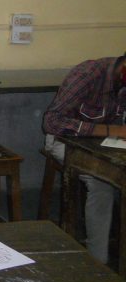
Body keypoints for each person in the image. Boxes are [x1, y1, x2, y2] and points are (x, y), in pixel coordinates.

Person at [42, 54, 126, 264]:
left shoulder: (121, 83)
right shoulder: (88, 74)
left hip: (104, 144)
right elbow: (52, 122)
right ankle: (97, 262)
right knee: (102, 182)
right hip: (65, 141)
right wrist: (109, 130)